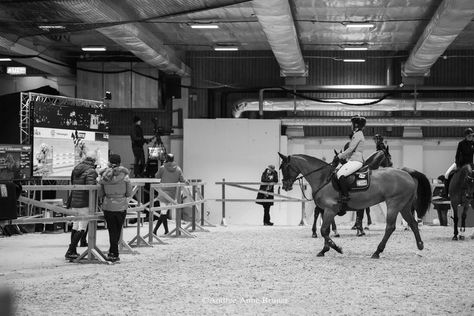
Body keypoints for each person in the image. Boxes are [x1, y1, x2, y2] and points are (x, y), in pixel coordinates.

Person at [98, 154, 132, 262]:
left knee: (111, 229)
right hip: (121, 205)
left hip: (108, 204)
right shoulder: (125, 176)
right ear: (119, 163)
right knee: (117, 230)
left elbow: (100, 193)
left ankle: (113, 251)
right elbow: (129, 193)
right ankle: (114, 252)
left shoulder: (104, 175)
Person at [65, 151, 98, 260]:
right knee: (82, 227)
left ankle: (73, 251)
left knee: (75, 225)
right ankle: (70, 250)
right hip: (85, 202)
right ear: (93, 161)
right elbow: (90, 187)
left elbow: (72, 182)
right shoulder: (91, 171)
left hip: (75, 200)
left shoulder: (76, 168)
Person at [336, 115, 366, 213]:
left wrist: (340, 156)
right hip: (353, 159)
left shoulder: (358, 134)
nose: (350, 126)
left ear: (355, 125)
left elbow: (350, 149)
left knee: (340, 174)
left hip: (356, 160)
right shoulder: (357, 134)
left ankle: (345, 196)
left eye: (352, 124)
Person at [154, 153, 185, 235]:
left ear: (166, 159)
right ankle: (165, 231)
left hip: (163, 193)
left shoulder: (162, 168)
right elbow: (182, 180)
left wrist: (161, 166)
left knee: (163, 213)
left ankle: (154, 231)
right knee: (164, 212)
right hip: (172, 194)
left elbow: (156, 176)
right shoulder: (178, 169)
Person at [443, 127, 474, 198]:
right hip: (460, 163)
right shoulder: (461, 144)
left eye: (472, 136)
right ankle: (446, 193)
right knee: (447, 174)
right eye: (469, 136)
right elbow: (457, 155)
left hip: (470, 165)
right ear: (466, 136)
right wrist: (458, 165)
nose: (471, 137)